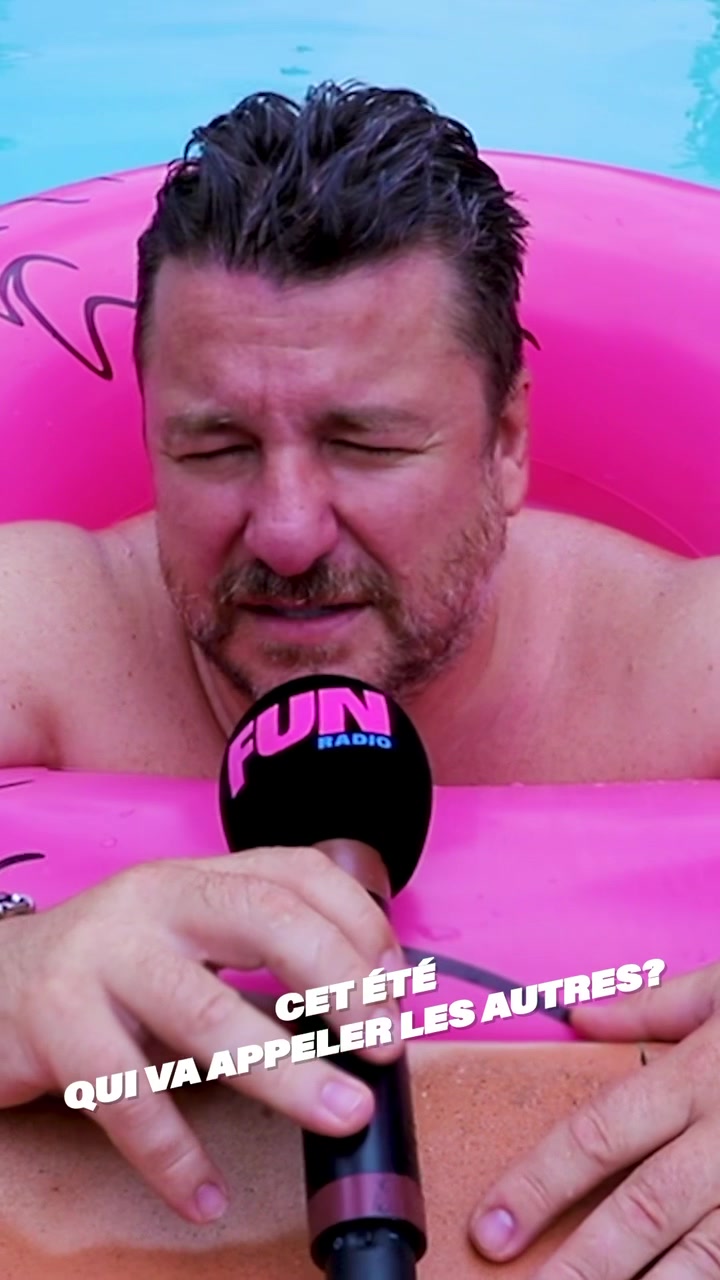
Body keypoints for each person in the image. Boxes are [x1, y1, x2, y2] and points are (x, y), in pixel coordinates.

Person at [1, 82, 719, 1276]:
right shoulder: (41, 626)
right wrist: (16, 968)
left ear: (507, 445)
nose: (286, 529)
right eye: (216, 445)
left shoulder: (679, 656)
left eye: (367, 443)